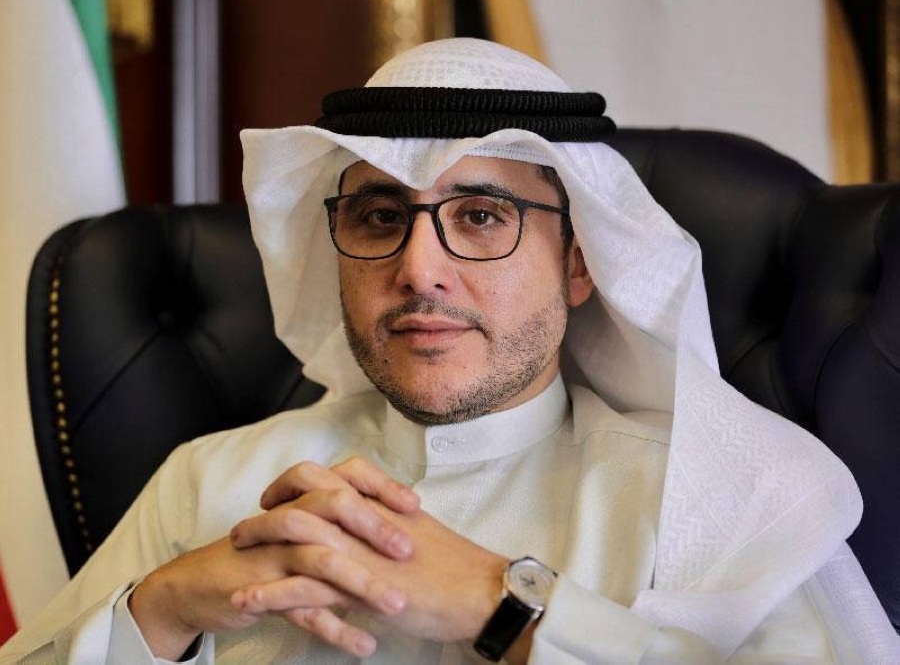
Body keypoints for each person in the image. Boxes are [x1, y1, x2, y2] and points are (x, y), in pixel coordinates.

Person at [1, 38, 898, 665]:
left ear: (578, 263)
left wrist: (501, 603)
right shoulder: (207, 482)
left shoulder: (731, 495)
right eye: (379, 216)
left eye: (480, 216)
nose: (418, 269)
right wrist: (159, 614)